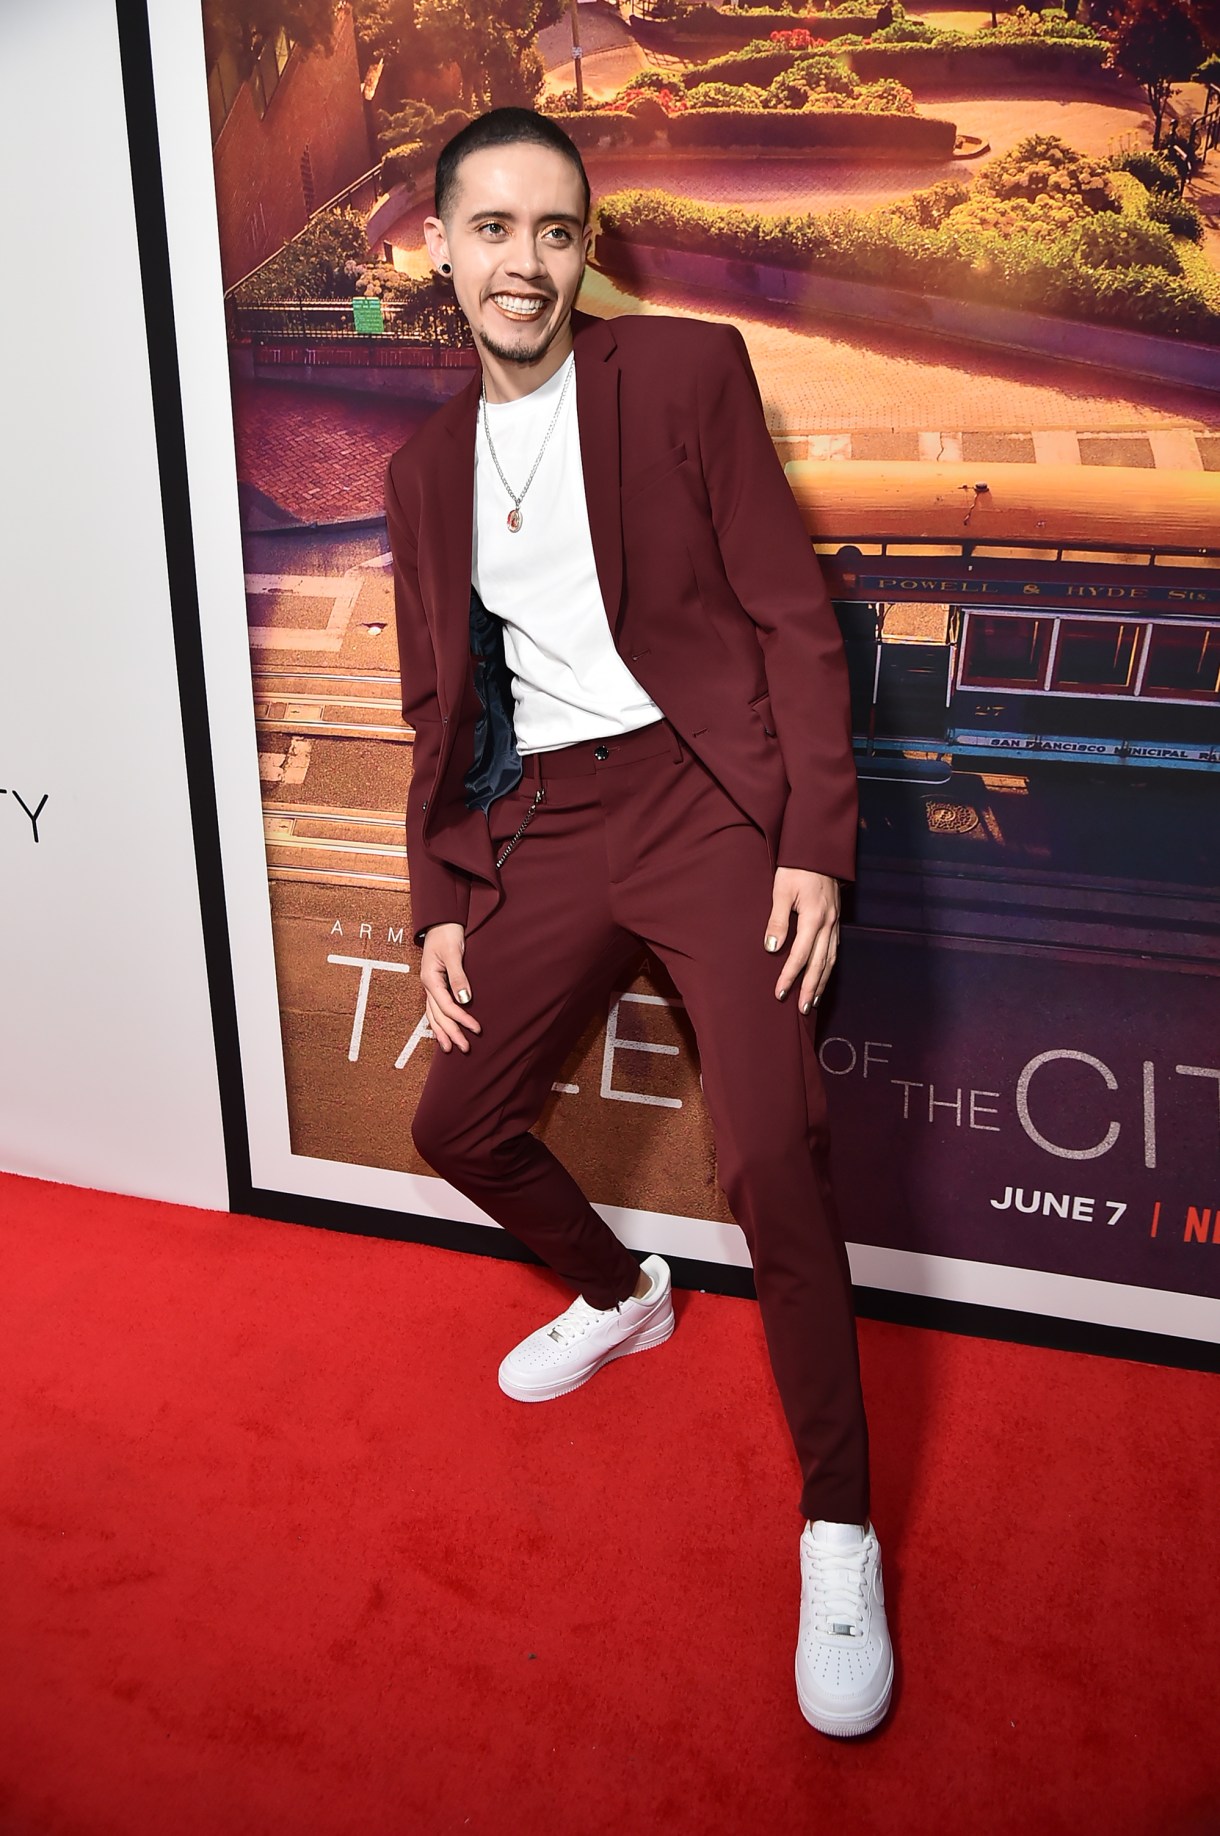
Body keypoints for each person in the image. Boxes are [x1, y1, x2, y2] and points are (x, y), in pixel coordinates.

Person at [384, 105, 893, 1739]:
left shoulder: (682, 373)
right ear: (441, 248)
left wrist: (812, 840)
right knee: (456, 1116)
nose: (524, 263)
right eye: (492, 230)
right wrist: (443, 894)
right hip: (549, 825)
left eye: (555, 231)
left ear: (584, 245)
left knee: (768, 1154)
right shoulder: (414, 471)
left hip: (702, 804)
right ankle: (622, 1295)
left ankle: (837, 1527)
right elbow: (435, 703)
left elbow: (789, 616)